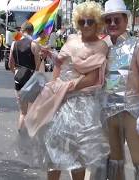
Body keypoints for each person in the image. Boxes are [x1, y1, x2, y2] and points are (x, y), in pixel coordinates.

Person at [19, 1, 109, 180]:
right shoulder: (71, 39)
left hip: (81, 104)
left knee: (77, 153)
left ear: (97, 23)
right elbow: (60, 66)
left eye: (90, 21)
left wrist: (63, 87)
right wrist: (53, 58)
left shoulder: (101, 46)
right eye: (82, 21)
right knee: (53, 149)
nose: (85, 25)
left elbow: (91, 79)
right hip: (58, 101)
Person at [101, 0, 139, 179]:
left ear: (125, 20)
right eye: (109, 20)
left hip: (132, 112)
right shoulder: (104, 47)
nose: (113, 24)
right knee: (114, 162)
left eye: (117, 19)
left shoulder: (138, 45)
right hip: (108, 113)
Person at [8, 23, 41, 130]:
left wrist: (17, 72)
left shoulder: (14, 44)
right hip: (31, 79)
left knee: (23, 112)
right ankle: (32, 132)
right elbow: (38, 65)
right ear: (32, 31)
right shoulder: (34, 44)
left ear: (22, 30)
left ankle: (21, 131)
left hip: (19, 78)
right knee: (33, 108)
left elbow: (10, 64)